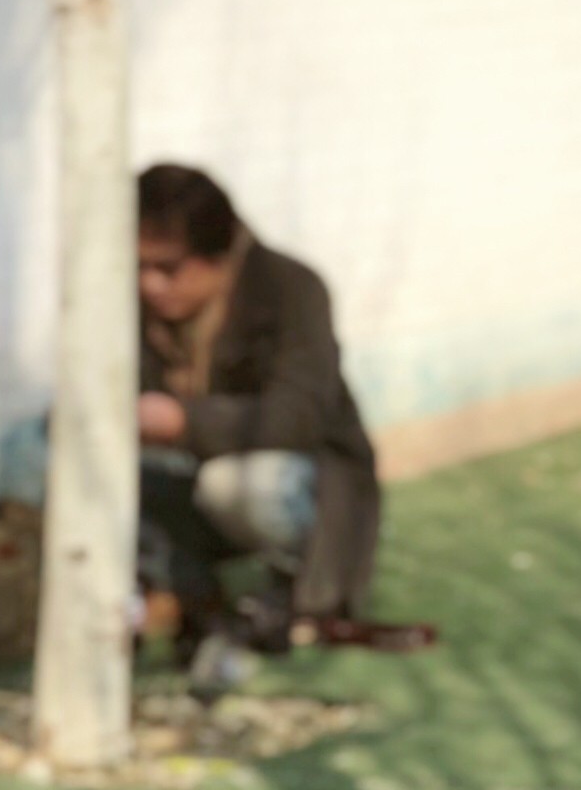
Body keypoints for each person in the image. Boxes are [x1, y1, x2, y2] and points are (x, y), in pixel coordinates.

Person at [134, 163, 419, 686]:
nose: (150, 284)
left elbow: (299, 416)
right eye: (138, 266)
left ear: (217, 256)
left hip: (301, 481)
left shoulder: (290, 288)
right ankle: (187, 593)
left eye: (167, 268)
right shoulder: (129, 303)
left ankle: (292, 585)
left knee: (240, 485)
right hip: (185, 478)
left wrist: (181, 421)